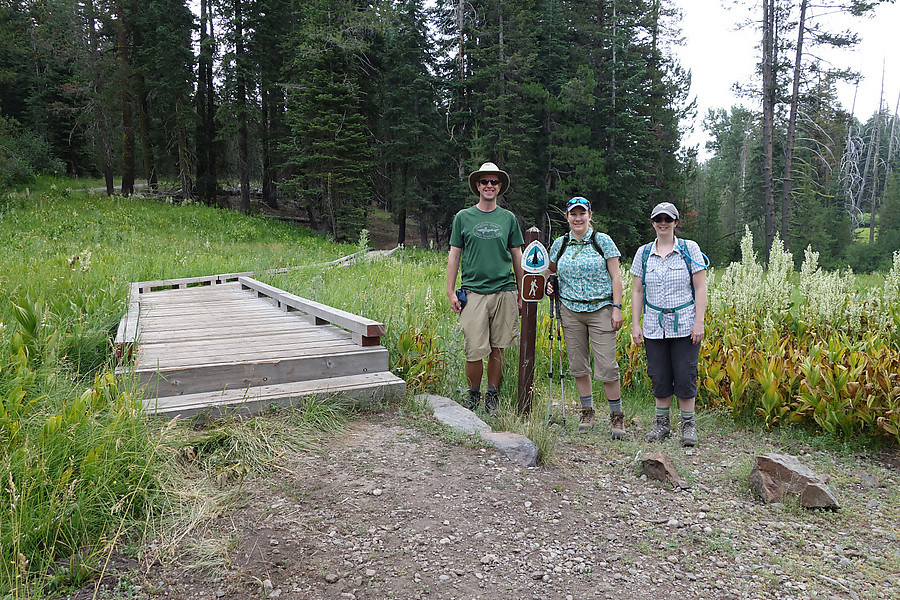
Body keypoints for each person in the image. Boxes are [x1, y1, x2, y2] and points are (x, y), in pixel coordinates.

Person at [446, 162, 525, 415]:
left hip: (505, 290)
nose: (489, 186)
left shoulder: (508, 219)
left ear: (499, 187)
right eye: (484, 182)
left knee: (498, 347)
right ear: (477, 186)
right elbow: (454, 255)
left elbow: (517, 256)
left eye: (494, 182)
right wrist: (450, 291)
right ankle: (473, 395)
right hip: (473, 292)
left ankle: (492, 396)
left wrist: (522, 292)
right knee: (473, 349)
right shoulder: (463, 217)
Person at [629, 202, 708, 447]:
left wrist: (699, 322)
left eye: (667, 219)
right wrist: (635, 324)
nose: (663, 223)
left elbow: (700, 286)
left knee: (685, 375)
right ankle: (662, 425)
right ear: (652, 222)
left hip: (685, 324)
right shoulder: (643, 253)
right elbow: (637, 291)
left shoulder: (689, 249)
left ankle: (688, 426)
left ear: (675, 222)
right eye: (658, 219)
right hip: (654, 325)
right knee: (660, 375)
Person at [546, 197, 625, 437]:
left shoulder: (603, 241)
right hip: (569, 311)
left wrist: (617, 307)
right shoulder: (560, 245)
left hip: (601, 309)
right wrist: (549, 283)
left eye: (582, 213)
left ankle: (617, 417)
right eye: (573, 214)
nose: (578, 218)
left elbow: (616, 276)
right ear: (567, 217)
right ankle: (587, 412)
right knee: (579, 365)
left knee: (607, 366)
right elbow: (550, 270)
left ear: (590, 215)